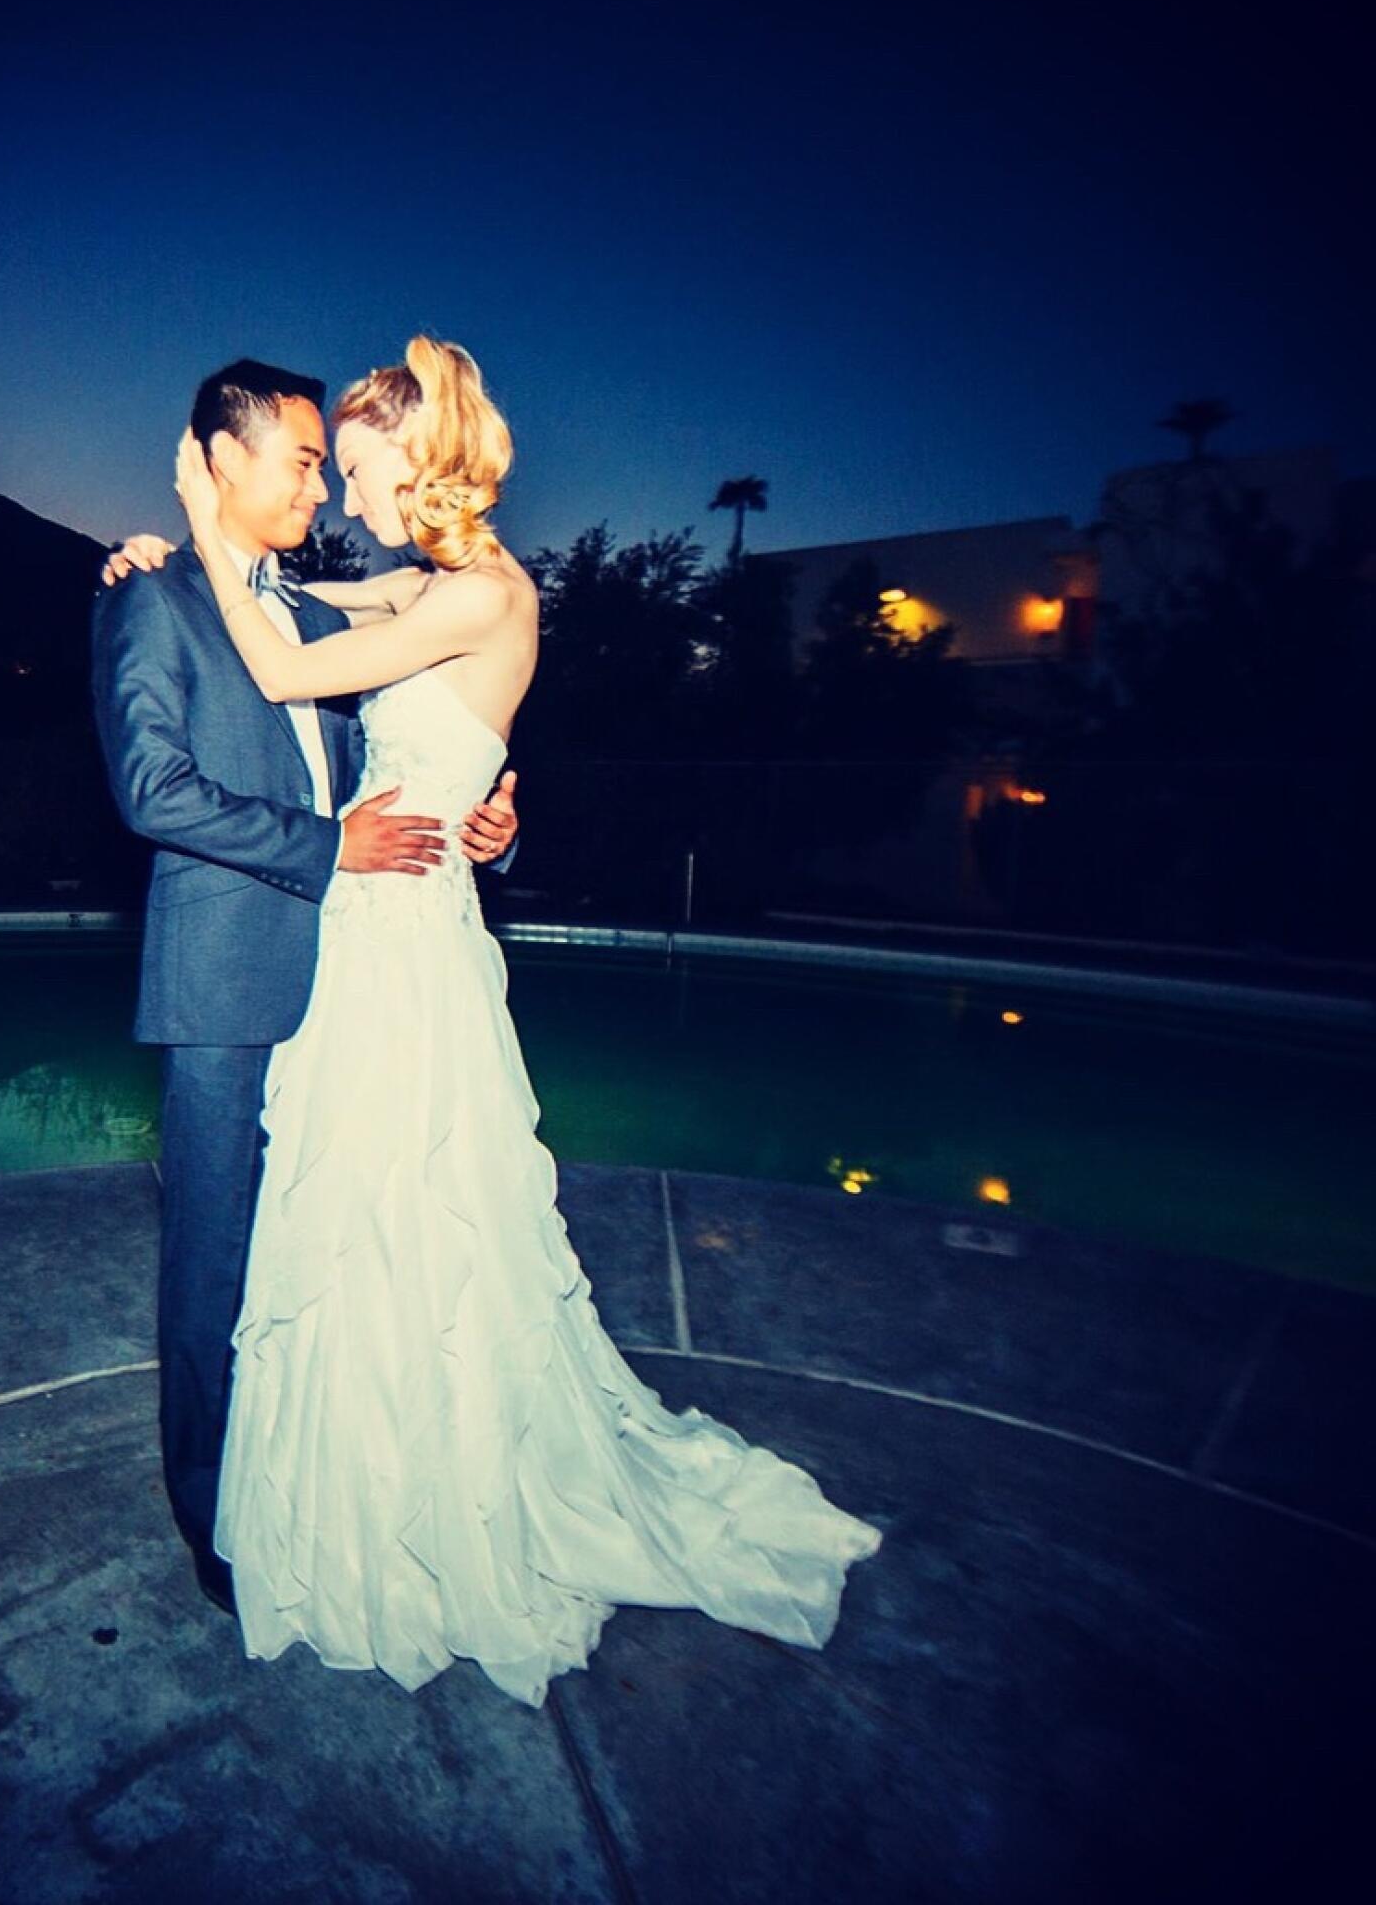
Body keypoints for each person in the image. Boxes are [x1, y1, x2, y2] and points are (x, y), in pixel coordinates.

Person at [127, 336, 881, 1709]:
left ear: (418, 457)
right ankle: (354, 1467)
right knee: (349, 1212)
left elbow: (298, 676)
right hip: (353, 931)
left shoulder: (485, 592)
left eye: (358, 468)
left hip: (404, 941)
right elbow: (292, 599)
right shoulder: (419, 581)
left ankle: (435, 1488)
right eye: (327, 471)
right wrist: (177, 561)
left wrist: (189, 510)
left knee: (418, 1209)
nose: (345, 496)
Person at [89, 359, 520, 1617]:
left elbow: (431, 716)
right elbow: (152, 794)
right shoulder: (148, 601)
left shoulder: (317, 611)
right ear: (219, 460)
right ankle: (209, 1509)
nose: (319, 480)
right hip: (226, 978)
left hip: (357, 984)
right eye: (299, 458)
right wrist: (333, 849)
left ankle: (320, 1470)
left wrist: (489, 804)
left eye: (329, 461)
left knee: (323, 1253)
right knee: (214, 1260)